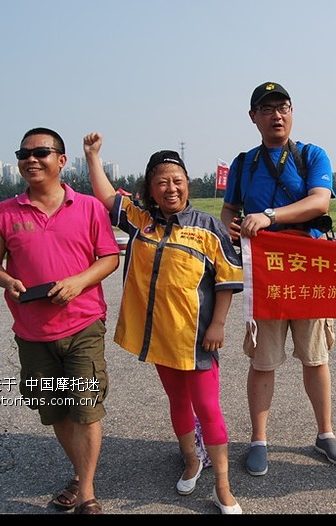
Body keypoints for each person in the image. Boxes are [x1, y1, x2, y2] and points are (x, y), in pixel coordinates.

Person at [83, 132, 244, 514]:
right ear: (150, 190)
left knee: (208, 408)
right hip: (159, 339)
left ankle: (222, 483)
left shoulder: (207, 226)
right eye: (161, 182)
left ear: (187, 184)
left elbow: (228, 278)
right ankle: (191, 459)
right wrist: (92, 157)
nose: (171, 188)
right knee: (177, 403)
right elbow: (107, 197)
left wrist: (218, 325)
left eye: (177, 181)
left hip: (198, 339)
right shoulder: (140, 221)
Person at [0, 127, 120, 515]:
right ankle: (79, 474)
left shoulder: (89, 207)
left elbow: (109, 257)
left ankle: (87, 492)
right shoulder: (4, 213)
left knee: (86, 407)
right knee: (57, 409)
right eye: (24, 154)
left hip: (83, 324)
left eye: (42, 152)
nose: (31, 160)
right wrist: (6, 279)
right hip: (32, 331)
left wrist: (78, 282)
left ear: (61, 160)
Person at [220, 81, 336, 477]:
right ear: (253, 117)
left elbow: (319, 201)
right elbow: (229, 210)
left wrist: (270, 216)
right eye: (267, 109)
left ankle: (325, 433)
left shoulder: (312, 154)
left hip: (309, 266)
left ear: (292, 112)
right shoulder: (244, 163)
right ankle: (259, 439)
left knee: (316, 356)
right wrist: (233, 227)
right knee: (263, 359)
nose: (277, 115)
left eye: (283, 107)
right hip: (266, 271)